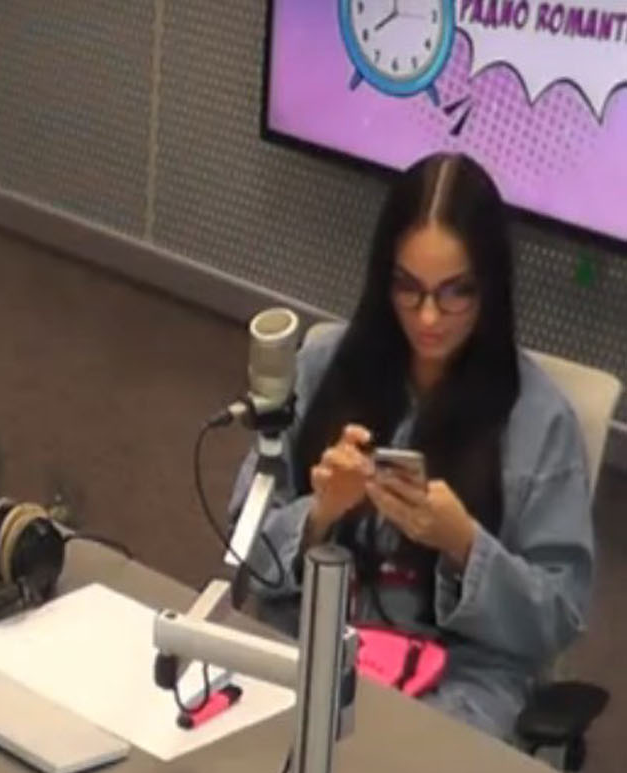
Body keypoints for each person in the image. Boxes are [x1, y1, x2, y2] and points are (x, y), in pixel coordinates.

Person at [231, 152, 594, 739]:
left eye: (455, 293)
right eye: (409, 289)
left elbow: (559, 614)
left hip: (458, 685)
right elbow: (243, 552)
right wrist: (319, 513)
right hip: (308, 646)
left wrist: (465, 544)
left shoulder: (539, 421)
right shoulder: (322, 367)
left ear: (491, 288)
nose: (428, 317)